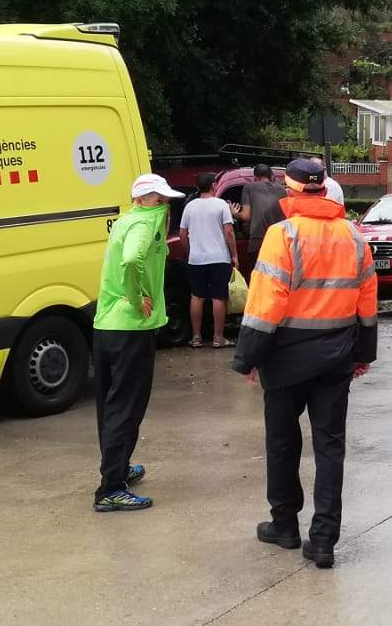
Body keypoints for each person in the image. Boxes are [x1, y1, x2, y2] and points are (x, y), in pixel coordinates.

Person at [231, 157, 377, 569]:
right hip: (336, 355)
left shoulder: (283, 234)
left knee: (282, 442)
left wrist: (248, 358)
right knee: (330, 447)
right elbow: (367, 298)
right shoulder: (353, 234)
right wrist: (363, 353)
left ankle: (285, 526)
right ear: (323, 189)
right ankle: (324, 540)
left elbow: (266, 304)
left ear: (289, 190)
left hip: (286, 355)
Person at [92, 173, 179, 513]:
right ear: (143, 199)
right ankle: (111, 488)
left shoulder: (127, 219)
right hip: (130, 328)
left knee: (110, 404)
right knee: (126, 408)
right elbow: (131, 260)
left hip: (107, 325)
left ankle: (119, 468)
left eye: (165, 198)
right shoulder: (144, 224)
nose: (164, 204)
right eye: (158, 198)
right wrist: (137, 296)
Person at [179, 173, 238, 348]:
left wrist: (190, 251)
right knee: (219, 298)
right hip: (219, 258)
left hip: (196, 259)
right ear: (213, 185)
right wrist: (234, 254)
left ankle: (196, 337)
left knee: (197, 297)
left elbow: (183, 233)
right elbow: (228, 231)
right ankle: (218, 338)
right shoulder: (221, 205)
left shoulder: (190, 206)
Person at [241, 161, 287, 241]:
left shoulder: (249, 187)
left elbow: (246, 216)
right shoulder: (283, 190)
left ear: (255, 178)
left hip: (258, 241)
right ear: (272, 177)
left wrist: (233, 212)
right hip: (279, 239)